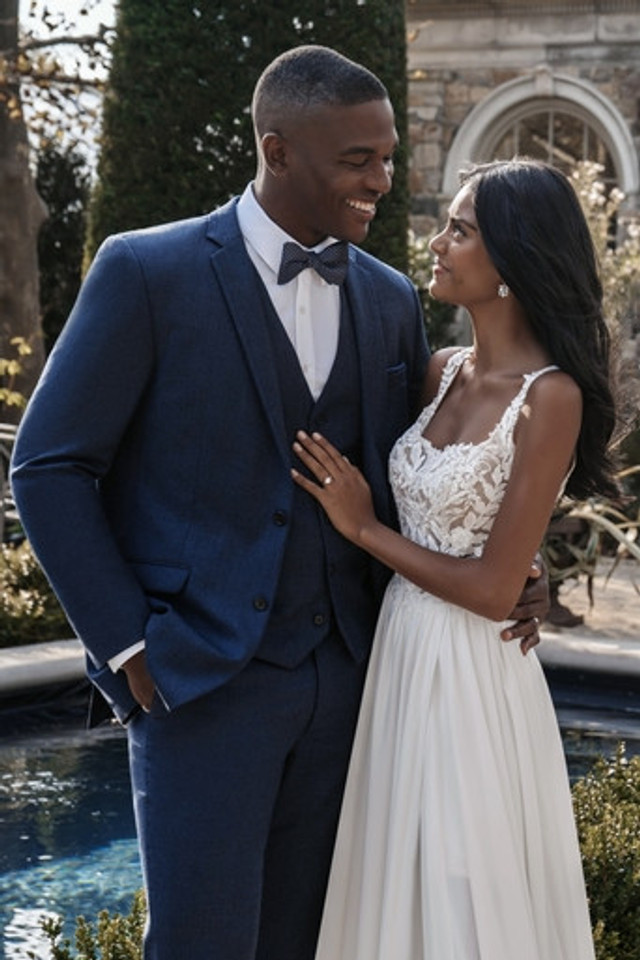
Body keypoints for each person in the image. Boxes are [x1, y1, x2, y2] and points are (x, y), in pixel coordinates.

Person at [11, 48, 546, 960]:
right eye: (358, 159)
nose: (384, 178)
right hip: (199, 685)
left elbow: (418, 471)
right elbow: (48, 467)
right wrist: (132, 652)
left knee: (315, 942)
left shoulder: (386, 300)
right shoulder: (146, 271)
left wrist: (513, 565)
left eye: (385, 156)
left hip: (351, 687)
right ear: (278, 149)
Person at [291, 158, 618, 960]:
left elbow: (493, 586)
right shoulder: (440, 372)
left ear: (515, 259)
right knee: (393, 886)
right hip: (399, 655)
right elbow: (467, 524)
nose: (436, 243)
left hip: (473, 673)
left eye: (460, 230)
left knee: (462, 897)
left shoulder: (553, 397)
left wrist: (364, 527)